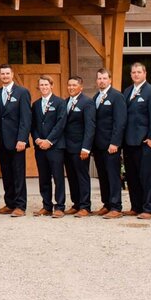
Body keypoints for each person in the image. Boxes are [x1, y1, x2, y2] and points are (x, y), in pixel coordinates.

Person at [122, 62, 151, 219]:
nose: (136, 75)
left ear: (145, 73)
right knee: (132, 176)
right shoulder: (127, 91)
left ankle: (149, 208)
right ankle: (136, 206)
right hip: (129, 142)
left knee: (147, 176)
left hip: (145, 142)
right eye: (133, 72)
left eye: (139, 72)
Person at [0, 64, 32, 216]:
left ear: (12, 74)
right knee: (6, 173)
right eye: (2, 74)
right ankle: (10, 203)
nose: (4, 76)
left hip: (17, 141)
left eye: (7, 73)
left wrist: (22, 138)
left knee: (18, 173)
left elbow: (26, 118)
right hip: (2, 141)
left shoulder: (22, 92)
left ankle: (20, 205)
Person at [91, 68, 126, 219]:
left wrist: (115, 143)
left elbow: (120, 121)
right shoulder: (96, 97)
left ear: (110, 80)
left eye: (104, 78)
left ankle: (116, 206)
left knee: (113, 176)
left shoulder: (116, 96)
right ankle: (106, 204)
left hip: (111, 145)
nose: (102, 81)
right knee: (103, 176)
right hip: (98, 145)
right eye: (99, 78)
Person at [31, 75, 67, 217]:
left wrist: (49, 140)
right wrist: (38, 139)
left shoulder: (60, 103)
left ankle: (59, 206)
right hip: (40, 147)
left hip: (55, 147)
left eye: (46, 84)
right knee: (43, 177)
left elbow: (60, 124)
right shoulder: (35, 104)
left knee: (58, 177)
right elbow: (32, 124)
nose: (44, 87)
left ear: (51, 85)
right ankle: (46, 206)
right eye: (41, 85)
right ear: (38, 87)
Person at [62, 75, 95, 217]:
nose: (71, 88)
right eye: (69, 85)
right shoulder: (65, 102)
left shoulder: (87, 103)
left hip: (80, 147)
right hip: (67, 147)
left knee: (82, 176)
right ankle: (76, 204)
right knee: (71, 176)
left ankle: (85, 206)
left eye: (74, 85)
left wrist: (86, 147)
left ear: (81, 87)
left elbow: (90, 126)